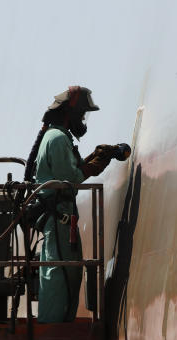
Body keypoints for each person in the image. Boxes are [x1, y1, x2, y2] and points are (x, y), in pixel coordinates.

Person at [23, 86, 114, 322]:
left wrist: (93, 159)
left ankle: (57, 320)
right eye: (82, 112)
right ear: (68, 113)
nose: (83, 119)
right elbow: (70, 179)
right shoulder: (58, 138)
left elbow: (69, 171)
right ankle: (54, 324)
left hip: (61, 218)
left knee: (65, 270)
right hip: (59, 218)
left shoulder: (55, 137)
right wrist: (95, 165)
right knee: (60, 272)